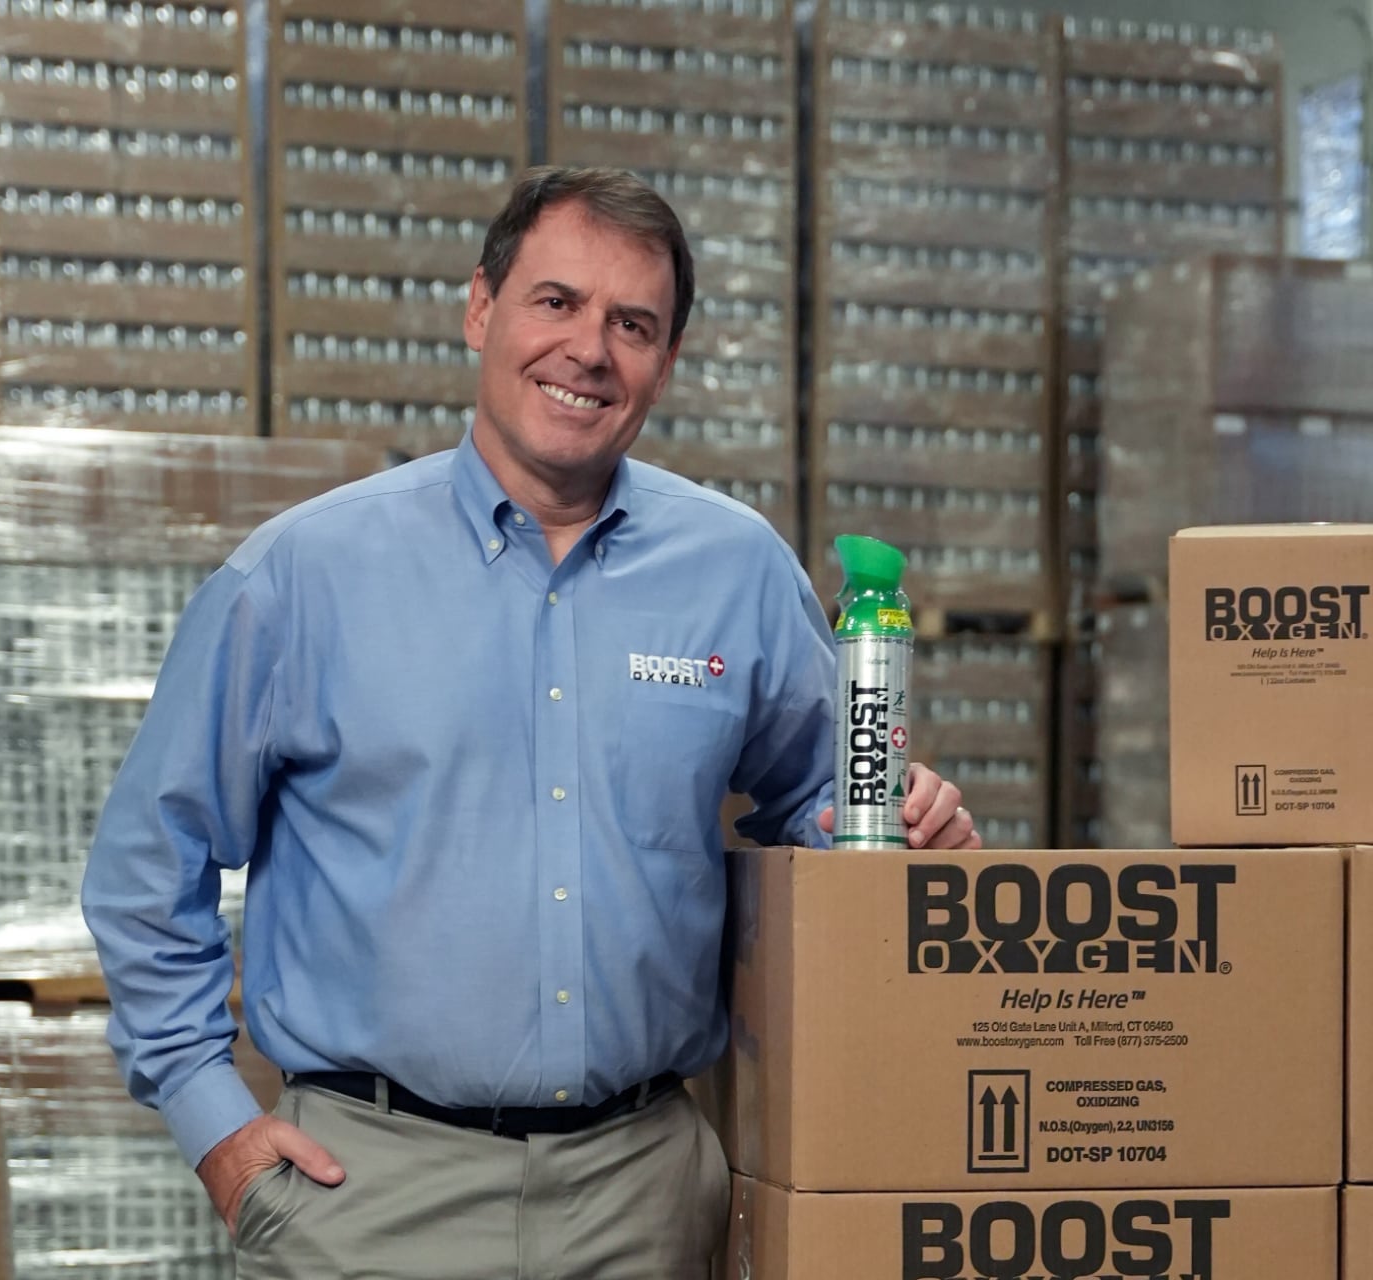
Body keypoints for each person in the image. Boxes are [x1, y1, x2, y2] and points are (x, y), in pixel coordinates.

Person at [82, 165, 981, 1279]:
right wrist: (214, 1122)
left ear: (665, 360)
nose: (589, 349)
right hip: (368, 1195)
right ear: (480, 309)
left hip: (643, 1195)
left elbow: (814, 795)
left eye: (632, 323)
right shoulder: (301, 576)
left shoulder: (735, 567)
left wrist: (891, 809)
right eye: (555, 301)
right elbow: (145, 861)